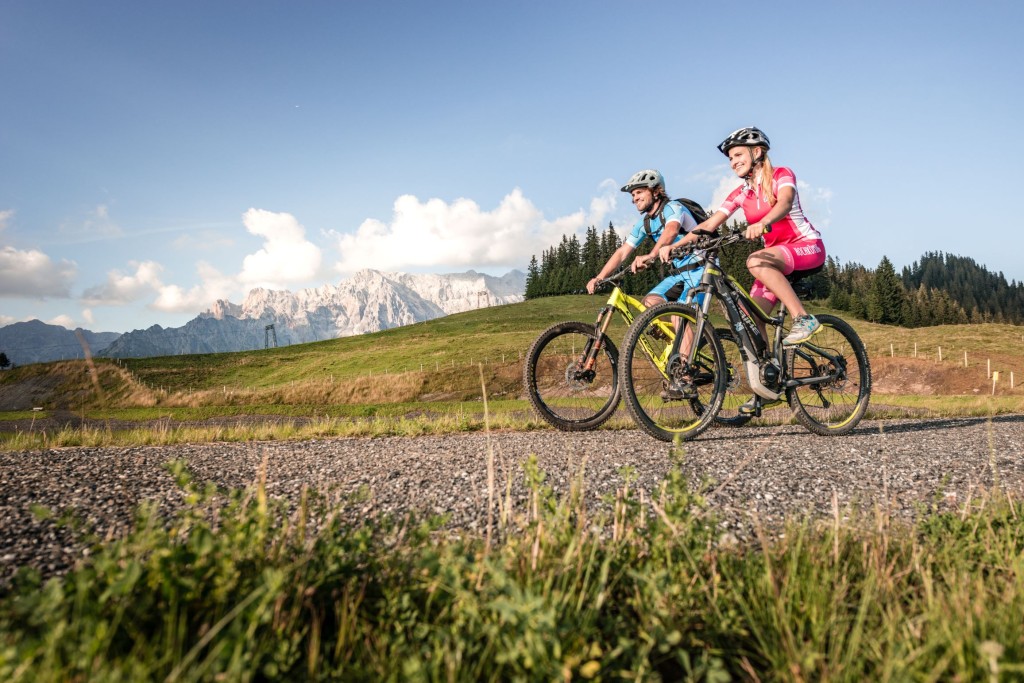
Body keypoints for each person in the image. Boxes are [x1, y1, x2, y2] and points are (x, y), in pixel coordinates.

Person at [658, 126, 825, 345]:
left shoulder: (781, 175)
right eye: (730, 158)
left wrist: (763, 222)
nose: (733, 162)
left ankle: (803, 318)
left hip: (807, 246)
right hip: (773, 258)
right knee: (749, 319)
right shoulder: (741, 193)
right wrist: (676, 246)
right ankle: (769, 372)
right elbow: (709, 224)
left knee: (754, 260)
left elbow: (785, 202)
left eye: (738, 155)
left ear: (756, 152)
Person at [585, 169, 702, 308]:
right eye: (633, 195)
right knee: (650, 303)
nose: (634, 198)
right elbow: (623, 252)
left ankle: (692, 328)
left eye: (639, 192)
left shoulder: (673, 207)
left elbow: (672, 230)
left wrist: (652, 255)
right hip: (678, 274)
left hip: (701, 268)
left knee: (680, 317)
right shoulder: (644, 224)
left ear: (656, 191)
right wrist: (600, 277)